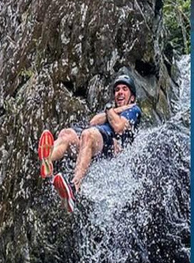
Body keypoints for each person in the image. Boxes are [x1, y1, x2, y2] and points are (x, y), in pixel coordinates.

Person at [37, 74, 142, 212]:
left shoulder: (133, 110)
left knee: (88, 134)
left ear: (132, 97)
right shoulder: (111, 112)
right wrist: (113, 109)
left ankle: (74, 187)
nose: (120, 92)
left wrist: (111, 110)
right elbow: (93, 121)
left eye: (124, 89)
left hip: (108, 148)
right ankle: (47, 160)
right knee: (67, 134)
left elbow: (118, 127)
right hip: (92, 146)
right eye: (117, 90)